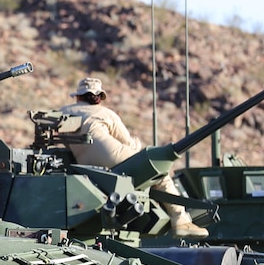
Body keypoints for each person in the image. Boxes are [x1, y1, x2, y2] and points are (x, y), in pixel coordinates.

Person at [60, 76, 209, 239]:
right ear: (99, 98)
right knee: (158, 172)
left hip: (84, 164)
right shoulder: (106, 113)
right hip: (113, 156)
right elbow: (129, 143)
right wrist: (139, 146)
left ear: (78, 96)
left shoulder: (64, 112)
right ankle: (180, 220)